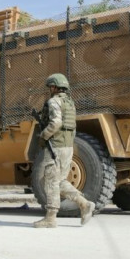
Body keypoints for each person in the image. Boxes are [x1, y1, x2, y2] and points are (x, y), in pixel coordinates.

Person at [33, 73, 96, 228]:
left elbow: (55, 123)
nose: (49, 90)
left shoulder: (54, 101)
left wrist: (44, 136)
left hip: (56, 146)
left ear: (55, 87)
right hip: (67, 146)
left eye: (50, 87)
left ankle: (51, 218)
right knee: (60, 181)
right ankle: (84, 204)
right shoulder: (70, 103)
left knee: (51, 181)